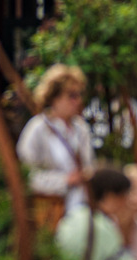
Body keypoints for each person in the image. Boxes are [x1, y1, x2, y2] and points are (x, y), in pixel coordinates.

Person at [19, 64, 96, 227]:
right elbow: (26, 176)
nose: (78, 101)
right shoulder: (37, 128)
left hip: (82, 206)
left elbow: (90, 165)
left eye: (79, 95)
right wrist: (64, 180)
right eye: (72, 95)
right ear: (54, 97)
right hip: (52, 211)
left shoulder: (81, 128)